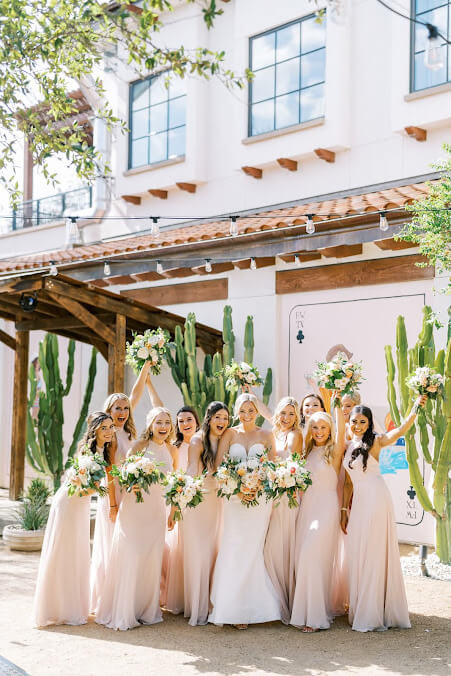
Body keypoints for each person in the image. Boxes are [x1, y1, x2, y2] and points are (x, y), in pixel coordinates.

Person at [341, 397, 427, 632]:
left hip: (377, 499)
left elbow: (399, 431)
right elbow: (348, 484)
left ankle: (374, 611)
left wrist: (415, 409)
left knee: (374, 551)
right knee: (359, 550)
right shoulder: (347, 446)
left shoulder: (376, 441)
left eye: (362, 421)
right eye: (354, 421)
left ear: (369, 423)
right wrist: (343, 510)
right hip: (358, 503)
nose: (357, 425)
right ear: (348, 423)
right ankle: (362, 606)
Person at [96, 407, 177, 631]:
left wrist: (174, 511)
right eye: (158, 422)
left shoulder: (171, 450)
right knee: (131, 554)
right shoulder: (139, 447)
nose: (163, 427)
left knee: (151, 558)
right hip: (134, 508)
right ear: (150, 425)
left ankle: (146, 610)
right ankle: (125, 610)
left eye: (166, 422)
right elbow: (122, 476)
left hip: (156, 511)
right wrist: (132, 484)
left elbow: (174, 482)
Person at [33, 412, 114, 627]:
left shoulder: (102, 452)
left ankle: (70, 607)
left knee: (76, 552)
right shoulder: (87, 452)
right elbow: (83, 482)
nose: (108, 431)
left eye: (110, 427)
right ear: (95, 429)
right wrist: (95, 487)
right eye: (104, 427)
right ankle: (56, 608)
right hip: (69, 503)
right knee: (64, 551)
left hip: (80, 505)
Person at [208, 393, 281, 629]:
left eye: (251, 410)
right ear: (237, 411)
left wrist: (257, 485)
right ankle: (231, 607)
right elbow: (220, 466)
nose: (247, 415)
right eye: (242, 410)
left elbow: (273, 468)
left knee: (252, 549)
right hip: (234, 499)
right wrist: (238, 489)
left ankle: (253, 608)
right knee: (233, 546)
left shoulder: (267, 434)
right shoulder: (230, 433)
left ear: (257, 411)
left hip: (260, 500)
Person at [290, 402, 346, 632]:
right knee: (305, 559)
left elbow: (342, 432)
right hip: (306, 508)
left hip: (326, 508)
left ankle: (315, 617)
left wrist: (338, 401)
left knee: (310, 554)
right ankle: (305, 612)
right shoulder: (306, 452)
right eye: (315, 427)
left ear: (330, 429)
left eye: (324, 427)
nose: (320, 431)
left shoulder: (334, 451)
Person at [182, 402, 229, 625]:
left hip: (219, 501)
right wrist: (189, 490)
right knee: (200, 552)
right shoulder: (197, 440)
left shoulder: (225, 439)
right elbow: (192, 469)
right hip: (199, 500)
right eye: (218, 417)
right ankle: (198, 607)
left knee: (215, 551)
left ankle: (213, 603)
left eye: (225, 418)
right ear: (209, 418)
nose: (222, 422)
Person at [264, 396, 303, 623]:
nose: (287, 418)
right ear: (277, 414)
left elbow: (290, 462)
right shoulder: (272, 435)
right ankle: (270, 601)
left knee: (279, 546)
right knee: (268, 545)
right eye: (283, 413)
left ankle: (283, 602)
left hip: (287, 494)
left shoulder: (294, 436)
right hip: (270, 494)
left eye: (291, 414)